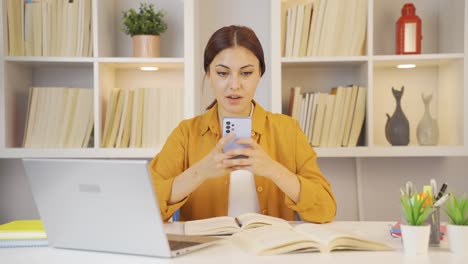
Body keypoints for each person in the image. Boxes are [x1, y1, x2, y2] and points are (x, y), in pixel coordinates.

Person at [149, 25, 336, 223]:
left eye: (246, 73)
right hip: (208, 252)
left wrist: (273, 169)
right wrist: (200, 171)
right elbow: (145, 207)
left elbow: (325, 210)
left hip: (269, 250)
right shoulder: (186, 134)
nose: (235, 85)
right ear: (209, 74)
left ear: (259, 75)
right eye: (223, 73)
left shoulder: (289, 131)